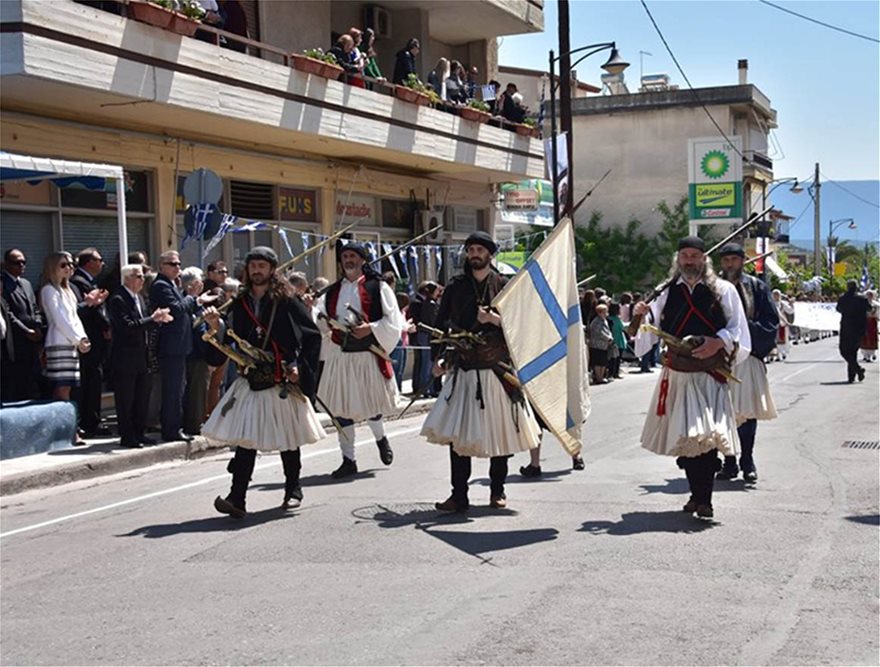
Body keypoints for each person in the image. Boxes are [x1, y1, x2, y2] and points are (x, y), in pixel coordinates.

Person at [421, 231, 541, 513]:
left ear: (490, 254)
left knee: (498, 433)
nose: (474, 254)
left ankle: (497, 491)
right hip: (463, 368)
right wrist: (438, 360)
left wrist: (493, 319)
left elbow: (522, 327)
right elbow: (440, 327)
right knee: (458, 436)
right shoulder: (455, 286)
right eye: (471, 249)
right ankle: (458, 495)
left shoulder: (505, 285)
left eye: (479, 249)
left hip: (495, 369)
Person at [203, 246, 326, 517]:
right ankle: (237, 498)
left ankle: (293, 489)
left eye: (262, 265)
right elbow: (229, 335)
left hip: (280, 377)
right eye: (253, 265)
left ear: (272, 270)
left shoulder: (287, 301)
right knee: (247, 440)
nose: (257, 270)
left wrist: (299, 369)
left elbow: (312, 337)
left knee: (288, 437)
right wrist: (215, 327)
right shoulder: (240, 301)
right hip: (250, 378)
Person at [632, 236, 750, 520]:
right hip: (678, 375)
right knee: (686, 441)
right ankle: (697, 494)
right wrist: (640, 317)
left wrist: (717, 341)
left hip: (710, 375)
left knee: (706, 439)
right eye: (684, 255)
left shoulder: (723, 290)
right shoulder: (664, 293)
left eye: (694, 255)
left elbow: (737, 329)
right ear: (678, 259)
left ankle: (704, 499)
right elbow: (649, 332)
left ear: (703, 259)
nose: (689, 260)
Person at [317, 244, 403, 478]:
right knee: (340, 409)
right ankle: (348, 459)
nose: (348, 260)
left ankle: (381, 438)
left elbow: (393, 321)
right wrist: (314, 313)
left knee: (370, 405)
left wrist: (371, 328)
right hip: (341, 355)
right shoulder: (332, 291)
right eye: (344, 256)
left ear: (363, 260)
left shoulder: (379, 287)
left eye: (352, 256)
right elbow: (320, 321)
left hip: (367, 352)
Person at [716, 243, 778, 483]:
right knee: (722, 412)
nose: (730, 264)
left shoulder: (757, 287)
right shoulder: (713, 287)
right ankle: (729, 461)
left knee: (747, 411)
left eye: (734, 259)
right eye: (726, 260)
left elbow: (770, 321)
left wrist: (743, 331)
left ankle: (747, 460)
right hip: (720, 357)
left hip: (748, 356)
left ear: (742, 261)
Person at [149, 250, 216, 443]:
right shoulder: (161, 286)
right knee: (173, 390)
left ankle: (175, 426)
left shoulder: (172, 285)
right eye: (172, 264)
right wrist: (195, 298)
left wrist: (197, 301)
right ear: (161, 266)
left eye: (178, 264)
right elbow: (176, 309)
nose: (177, 267)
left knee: (179, 388)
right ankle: (171, 429)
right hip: (171, 346)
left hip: (180, 345)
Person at [107, 264, 172, 448]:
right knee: (126, 399)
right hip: (125, 357)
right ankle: (127, 436)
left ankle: (139, 432)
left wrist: (156, 320)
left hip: (143, 356)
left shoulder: (140, 298)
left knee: (142, 397)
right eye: (138, 276)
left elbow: (144, 324)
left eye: (143, 276)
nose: (142, 280)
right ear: (127, 278)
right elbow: (128, 326)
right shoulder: (118, 299)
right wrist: (153, 319)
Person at [39, 253, 92, 418]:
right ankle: (66, 425)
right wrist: (77, 339)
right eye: (63, 265)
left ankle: (68, 424)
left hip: (72, 344)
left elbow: (74, 317)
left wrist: (82, 339)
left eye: (70, 264)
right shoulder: (49, 290)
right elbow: (59, 319)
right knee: (61, 387)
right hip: (58, 342)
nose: (68, 268)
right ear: (53, 267)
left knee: (69, 387)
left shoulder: (67, 290)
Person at [69, 248, 111, 437]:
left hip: (96, 340)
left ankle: (93, 420)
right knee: (89, 382)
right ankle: (89, 422)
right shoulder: (78, 283)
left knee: (94, 381)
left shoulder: (90, 282)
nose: (102, 263)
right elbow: (83, 311)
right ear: (88, 262)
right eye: (99, 259)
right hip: (88, 339)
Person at [1, 249, 44, 401]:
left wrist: (38, 326)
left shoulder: (26, 283)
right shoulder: (3, 284)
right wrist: (26, 331)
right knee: (17, 383)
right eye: (16, 263)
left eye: (23, 262)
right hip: (15, 342)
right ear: (6, 264)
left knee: (32, 380)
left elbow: (35, 307)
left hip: (33, 342)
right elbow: (7, 312)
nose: (21, 266)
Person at [836, 280, 871, 383]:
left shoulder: (843, 298)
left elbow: (838, 309)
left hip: (847, 327)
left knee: (844, 350)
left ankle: (855, 372)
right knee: (853, 352)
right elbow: (869, 309)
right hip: (859, 328)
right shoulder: (862, 298)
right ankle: (855, 373)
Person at [588, 303, 613, 384]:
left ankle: (602, 377)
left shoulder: (604, 321)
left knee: (603, 362)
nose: (606, 313)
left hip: (604, 345)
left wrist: (610, 337)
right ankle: (599, 378)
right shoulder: (596, 321)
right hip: (597, 345)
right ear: (600, 312)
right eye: (605, 312)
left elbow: (607, 331)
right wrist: (607, 338)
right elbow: (600, 332)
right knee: (598, 362)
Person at [771, 289, 795, 362]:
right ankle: (776, 354)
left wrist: (791, 304)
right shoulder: (771, 303)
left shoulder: (782, 304)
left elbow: (790, 311)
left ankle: (783, 353)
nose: (776, 296)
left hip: (782, 324)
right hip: (773, 324)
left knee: (783, 339)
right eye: (775, 295)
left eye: (777, 294)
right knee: (774, 340)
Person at [860, 289, 878, 362]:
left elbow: (877, 314)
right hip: (864, 321)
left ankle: (871, 354)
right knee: (864, 337)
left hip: (872, 322)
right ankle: (865, 355)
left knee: (872, 337)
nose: (869, 296)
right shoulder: (862, 304)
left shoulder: (875, 304)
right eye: (868, 295)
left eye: (870, 295)